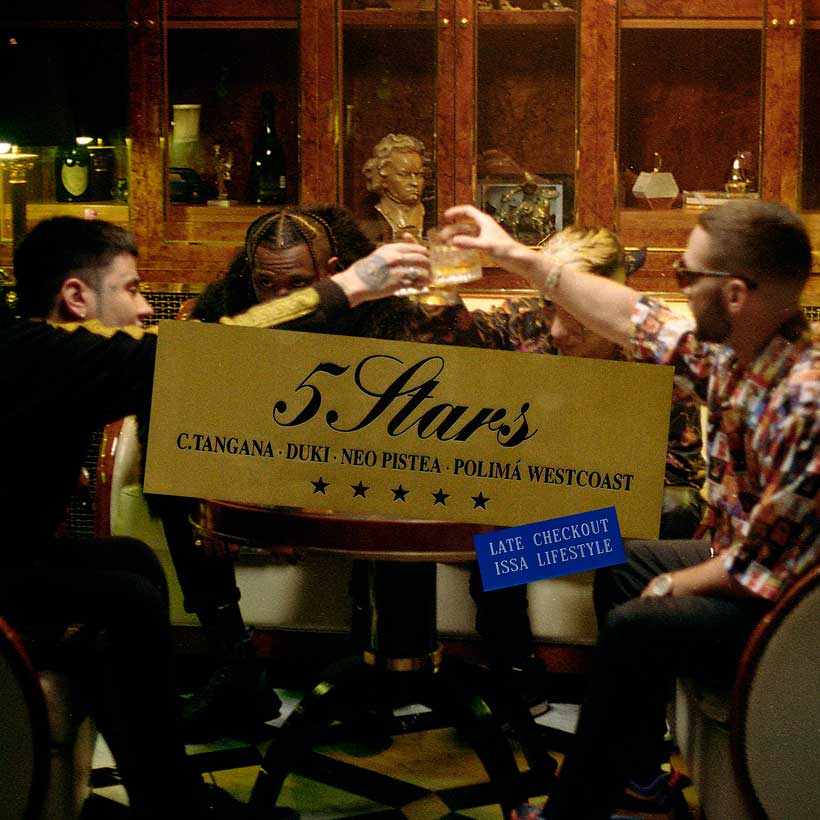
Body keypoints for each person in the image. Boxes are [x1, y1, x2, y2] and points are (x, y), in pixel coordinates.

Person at [2, 215, 429, 818]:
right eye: (131, 288)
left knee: (129, 562)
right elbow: (209, 354)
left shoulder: (40, 349)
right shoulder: (42, 351)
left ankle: (163, 791)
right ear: (76, 297)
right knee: (124, 595)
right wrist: (352, 286)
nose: (145, 306)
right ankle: (172, 797)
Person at [441, 199, 820, 820]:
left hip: (783, 602)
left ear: (734, 294)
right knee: (503, 556)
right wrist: (511, 255)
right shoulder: (733, 358)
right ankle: (595, 740)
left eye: (686, 277)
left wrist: (671, 583)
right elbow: (638, 317)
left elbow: (757, 565)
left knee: (634, 618)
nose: (675, 293)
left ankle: (573, 811)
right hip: (713, 547)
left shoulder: (803, 401)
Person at [179, 204, 488, 742]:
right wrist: (228, 493)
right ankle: (236, 664)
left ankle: (484, 664)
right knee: (173, 484)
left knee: (548, 523)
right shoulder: (228, 308)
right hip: (273, 453)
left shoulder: (390, 306)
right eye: (265, 284)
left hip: (361, 457)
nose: (278, 299)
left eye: (297, 284)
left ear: (334, 271)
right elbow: (190, 412)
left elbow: (419, 418)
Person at [463, 226, 706, 719]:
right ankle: (516, 676)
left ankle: (623, 699)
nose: (558, 332)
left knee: (675, 508)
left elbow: (679, 477)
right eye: (550, 311)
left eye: (576, 317)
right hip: (543, 499)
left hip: (633, 508)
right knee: (492, 533)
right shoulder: (524, 324)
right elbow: (450, 334)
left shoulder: (655, 352)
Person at [361, 133, 427, 243]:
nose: (414, 183)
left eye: (418, 175)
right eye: (404, 175)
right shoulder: (371, 219)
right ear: (383, 178)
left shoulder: (428, 215)